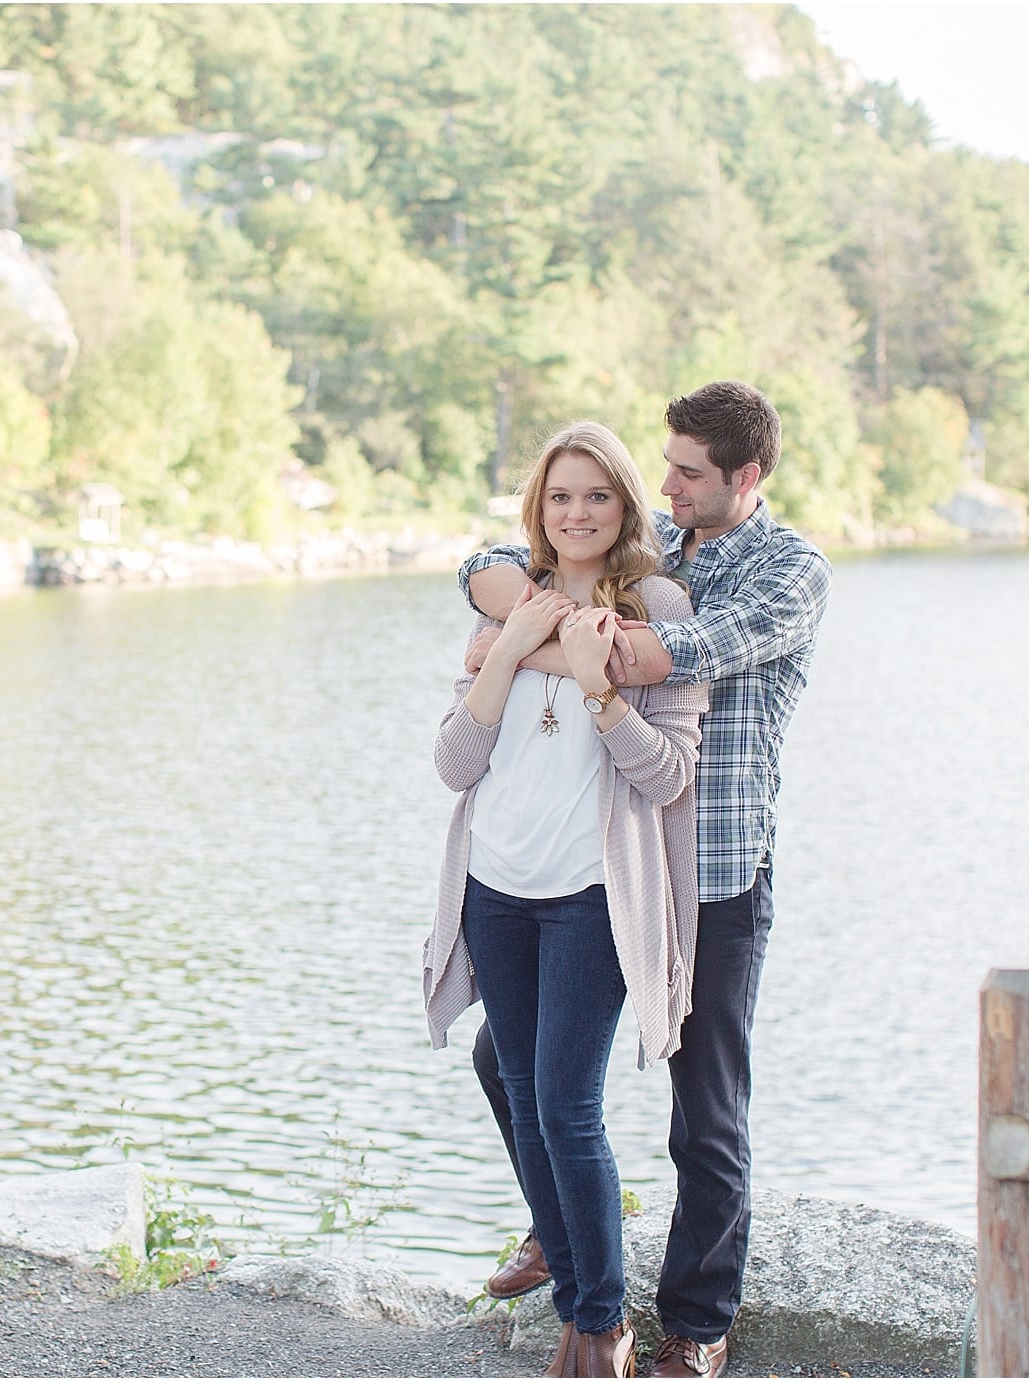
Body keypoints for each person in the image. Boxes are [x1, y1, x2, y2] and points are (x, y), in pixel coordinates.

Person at [459, 382, 831, 1380]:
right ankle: (563, 1233)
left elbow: (657, 654)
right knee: (509, 1060)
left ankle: (696, 1325)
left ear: (744, 477)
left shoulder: (786, 570)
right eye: (661, 470)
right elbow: (489, 567)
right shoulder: (666, 543)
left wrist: (529, 641)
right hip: (613, 863)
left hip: (709, 874)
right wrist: (534, 614)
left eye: (688, 473)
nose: (666, 486)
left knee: (702, 1106)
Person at [424, 421, 709, 1380]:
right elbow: (455, 761)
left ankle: (597, 1319)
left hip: (591, 896)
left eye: (596, 496)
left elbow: (668, 776)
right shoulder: (517, 602)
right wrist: (510, 653)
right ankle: (571, 1273)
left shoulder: (658, 608)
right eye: (559, 497)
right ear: (536, 512)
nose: (577, 513)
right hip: (496, 889)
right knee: (510, 1076)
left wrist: (599, 689)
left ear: (626, 505)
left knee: (565, 1106)